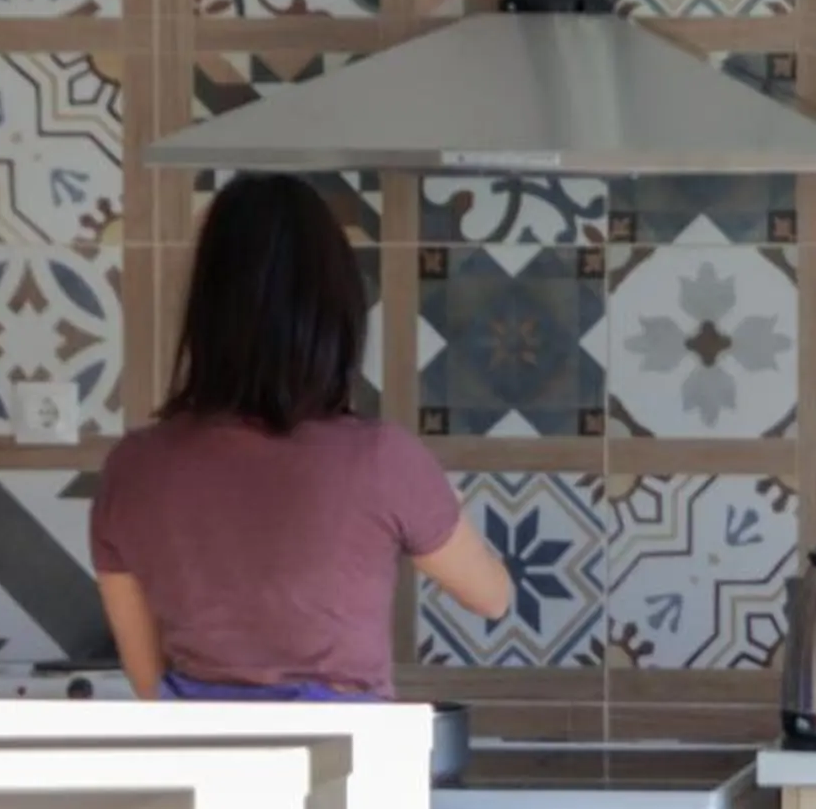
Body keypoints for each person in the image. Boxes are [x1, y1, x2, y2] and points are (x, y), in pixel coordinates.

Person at [93, 173, 511, 700]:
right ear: (336, 314)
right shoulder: (383, 459)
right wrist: (443, 501)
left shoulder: (134, 467)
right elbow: (493, 597)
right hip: (347, 775)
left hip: (205, 771)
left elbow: (148, 681)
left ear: (206, 310)